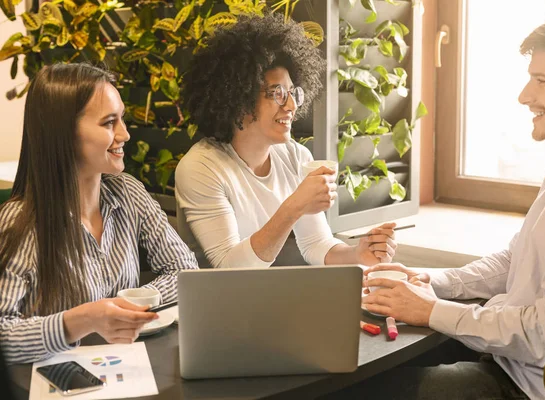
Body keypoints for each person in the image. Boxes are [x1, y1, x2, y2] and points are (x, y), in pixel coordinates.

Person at [325, 11, 545, 400]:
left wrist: (429, 310)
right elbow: (514, 260)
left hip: (522, 385)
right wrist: (430, 281)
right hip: (502, 358)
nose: (524, 96)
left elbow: (542, 333)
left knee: (356, 389)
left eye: (541, 81)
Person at [0, 63, 199, 365]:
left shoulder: (129, 193)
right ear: (63, 133)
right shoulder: (21, 221)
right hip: (55, 382)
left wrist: (129, 303)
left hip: (125, 368)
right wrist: (83, 320)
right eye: (109, 123)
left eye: (122, 119)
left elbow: (185, 272)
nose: (125, 134)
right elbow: (4, 334)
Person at [176, 13, 398, 269]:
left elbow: (316, 244)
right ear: (238, 100)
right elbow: (230, 269)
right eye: (277, 93)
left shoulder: (296, 157)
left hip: (275, 295)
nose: (291, 105)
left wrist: (358, 254)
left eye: (293, 93)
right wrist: (294, 205)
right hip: (220, 301)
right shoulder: (201, 168)